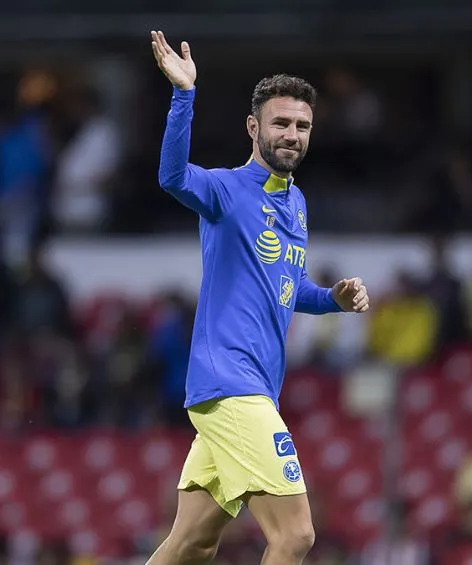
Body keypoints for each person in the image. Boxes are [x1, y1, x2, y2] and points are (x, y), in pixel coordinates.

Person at [147, 30, 370, 565]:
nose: (292, 134)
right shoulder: (226, 191)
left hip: (248, 390)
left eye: (302, 126)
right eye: (281, 123)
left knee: (191, 543)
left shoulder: (296, 204)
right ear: (254, 128)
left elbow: (284, 293)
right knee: (295, 536)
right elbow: (171, 177)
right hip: (232, 385)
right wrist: (184, 95)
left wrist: (330, 299)